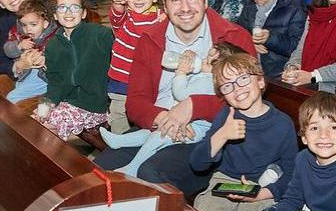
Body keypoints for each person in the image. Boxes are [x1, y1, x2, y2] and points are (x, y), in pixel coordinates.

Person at [92, 0, 256, 197]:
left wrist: (193, 108)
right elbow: (136, 102)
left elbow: (250, 99)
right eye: (176, 0)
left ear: (206, 0)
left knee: (150, 174)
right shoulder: (150, 39)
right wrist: (164, 119)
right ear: (165, 6)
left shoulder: (233, 38)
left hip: (208, 138)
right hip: (157, 126)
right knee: (99, 171)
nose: (185, 8)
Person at [190, 52, 299, 211]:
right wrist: (222, 135)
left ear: (260, 81)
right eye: (227, 86)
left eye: (242, 79)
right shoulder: (226, 117)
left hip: (262, 187)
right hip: (224, 180)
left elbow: (292, 175)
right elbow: (197, 163)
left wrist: (262, 194)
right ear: (223, 95)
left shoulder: (282, 124)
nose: (237, 89)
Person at [100, 43, 245, 176]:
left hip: (195, 130)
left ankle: (133, 168)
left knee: (159, 136)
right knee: (150, 132)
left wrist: (181, 72)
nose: (203, 60)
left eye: (208, 61)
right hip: (183, 121)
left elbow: (180, 93)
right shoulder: (204, 77)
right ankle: (120, 141)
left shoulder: (208, 81)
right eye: (206, 56)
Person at [36, 0, 113, 140]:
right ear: (55, 15)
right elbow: (55, 82)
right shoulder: (53, 46)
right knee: (37, 119)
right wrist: (46, 105)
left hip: (95, 105)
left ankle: (55, 161)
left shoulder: (99, 35)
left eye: (75, 7)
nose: (68, 12)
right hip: (68, 103)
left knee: (46, 130)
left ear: (84, 13)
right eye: (62, 7)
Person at [105, 0, 165, 133]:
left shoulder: (161, 18)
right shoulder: (126, 17)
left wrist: (167, 20)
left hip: (146, 81)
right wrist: (117, 4)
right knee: (119, 114)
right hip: (121, 80)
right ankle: (119, 143)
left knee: (145, 115)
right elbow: (116, 18)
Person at [237, 0, 306, 78]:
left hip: (278, 73)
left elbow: (296, 47)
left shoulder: (295, 6)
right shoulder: (251, 3)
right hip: (249, 69)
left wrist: (270, 38)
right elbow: (239, 30)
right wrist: (250, 43)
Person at [4, 0, 58, 104]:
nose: (28, 29)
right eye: (24, 25)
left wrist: (43, 59)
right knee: (20, 92)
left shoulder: (54, 37)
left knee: (12, 98)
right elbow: (7, 50)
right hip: (24, 74)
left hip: (43, 77)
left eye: (33, 24)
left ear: (45, 23)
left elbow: (60, 58)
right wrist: (18, 46)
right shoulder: (19, 33)